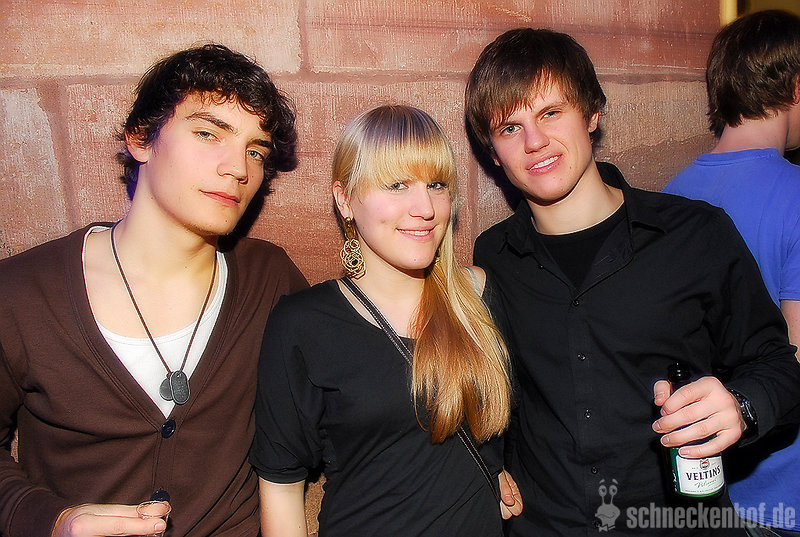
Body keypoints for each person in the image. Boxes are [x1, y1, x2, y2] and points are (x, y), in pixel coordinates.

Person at [465, 27, 800, 536]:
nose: (534, 142)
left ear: (592, 113)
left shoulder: (696, 235)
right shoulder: (494, 257)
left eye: (551, 113)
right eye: (510, 127)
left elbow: (780, 368)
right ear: (493, 152)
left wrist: (742, 406)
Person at [0, 44, 307, 537]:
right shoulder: (21, 294)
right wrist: (55, 520)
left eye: (255, 150)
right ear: (142, 138)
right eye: (208, 133)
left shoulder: (268, 280)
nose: (238, 168)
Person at [249, 104, 522, 536]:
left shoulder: (478, 298)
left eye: (436, 185)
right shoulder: (302, 324)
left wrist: (494, 468)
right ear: (345, 199)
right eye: (397, 185)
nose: (425, 207)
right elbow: (282, 487)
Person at [664, 10, 800, 535]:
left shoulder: (667, 198)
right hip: (785, 495)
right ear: (795, 86)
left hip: (699, 486)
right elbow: (794, 363)